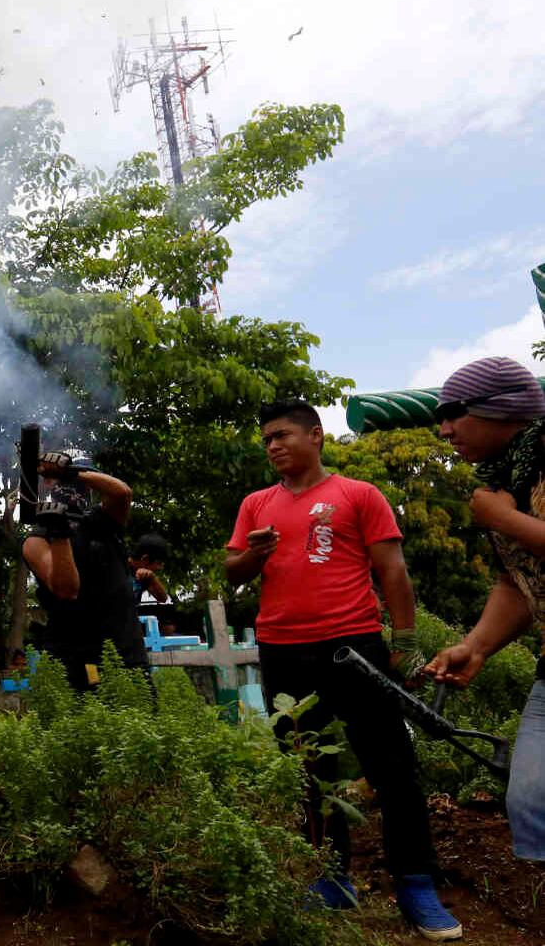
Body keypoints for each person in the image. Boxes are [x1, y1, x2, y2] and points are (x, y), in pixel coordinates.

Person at [226, 399, 459, 940]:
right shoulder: (256, 504)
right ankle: (331, 879)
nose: (273, 446)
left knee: (392, 766)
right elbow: (233, 571)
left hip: (353, 647)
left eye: (282, 435)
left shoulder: (358, 495)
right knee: (308, 770)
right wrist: (255, 555)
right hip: (282, 648)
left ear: (316, 436)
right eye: (266, 440)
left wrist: (403, 641)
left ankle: (417, 884)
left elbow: (392, 571)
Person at [425, 357, 545, 866]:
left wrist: (507, 520)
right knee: (532, 803)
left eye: (456, 412)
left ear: (504, 409)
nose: (445, 428)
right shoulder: (502, 480)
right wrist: (476, 647)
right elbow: (516, 583)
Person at [20, 453, 149, 692]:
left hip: (124, 651)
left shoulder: (104, 521)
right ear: (49, 486)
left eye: (80, 482)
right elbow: (66, 589)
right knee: (74, 726)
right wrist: (60, 532)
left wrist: (69, 472)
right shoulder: (37, 538)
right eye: (64, 483)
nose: (73, 489)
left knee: (141, 722)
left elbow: (122, 493)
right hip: (72, 656)